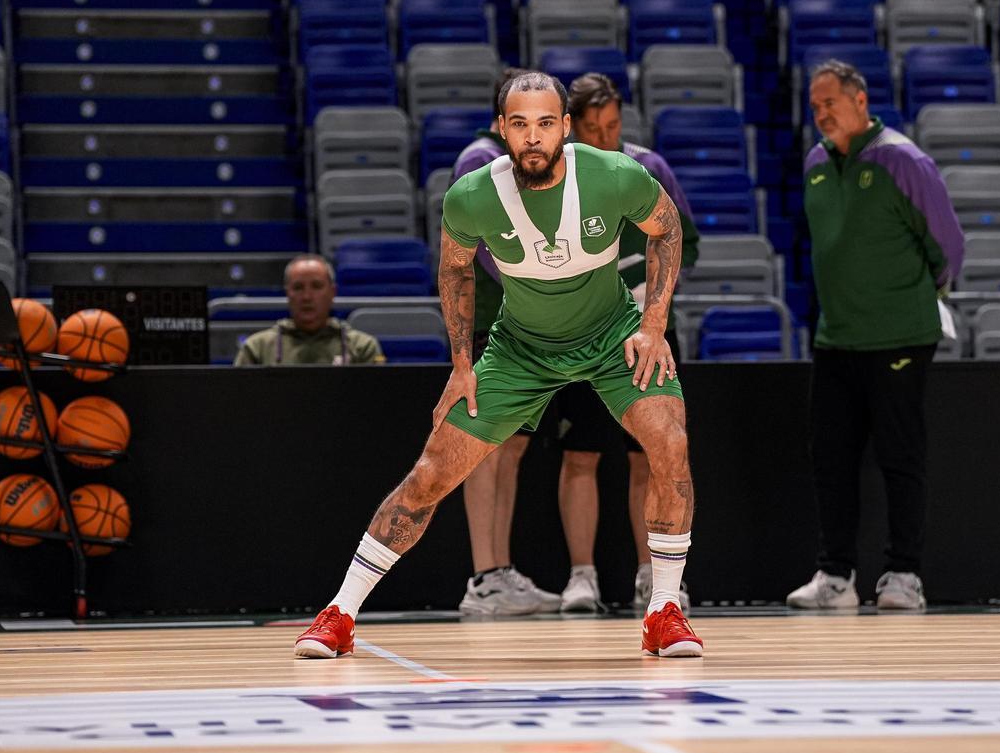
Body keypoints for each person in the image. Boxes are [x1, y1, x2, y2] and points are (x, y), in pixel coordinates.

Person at [294, 71, 703, 658]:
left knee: (669, 444)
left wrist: (653, 325)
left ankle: (664, 610)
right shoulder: (471, 194)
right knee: (432, 471)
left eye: (544, 123)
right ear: (502, 129)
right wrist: (462, 365)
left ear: (565, 126)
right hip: (520, 348)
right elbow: (455, 270)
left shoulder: (615, 176)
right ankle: (339, 613)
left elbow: (667, 231)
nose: (532, 137)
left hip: (614, 336)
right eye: (519, 124)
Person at [786, 60, 963, 611]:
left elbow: (948, 247)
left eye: (830, 103)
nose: (821, 115)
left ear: (860, 101)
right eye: (815, 106)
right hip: (836, 338)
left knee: (899, 458)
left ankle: (904, 575)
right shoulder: (816, 162)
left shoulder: (902, 160)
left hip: (898, 338)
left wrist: (910, 302)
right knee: (830, 460)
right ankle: (836, 577)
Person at [555, 73, 700, 613]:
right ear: (573, 128)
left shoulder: (649, 167)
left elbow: (687, 240)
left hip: (648, 332)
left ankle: (654, 577)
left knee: (655, 455)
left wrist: (652, 303)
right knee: (580, 456)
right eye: (592, 129)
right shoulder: (556, 174)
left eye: (612, 127)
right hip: (577, 333)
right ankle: (582, 577)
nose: (604, 138)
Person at [454, 67, 560, 616]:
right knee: (484, 450)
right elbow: (480, 249)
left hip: (526, 329)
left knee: (511, 450)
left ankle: (502, 570)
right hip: (488, 325)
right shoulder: (478, 161)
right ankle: (483, 576)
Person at [234, 254, 386, 366]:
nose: (307, 297)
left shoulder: (362, 346)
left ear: (332, 292)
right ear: (288, 293)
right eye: (298, 288)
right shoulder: (257, 348)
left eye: (317, 286)